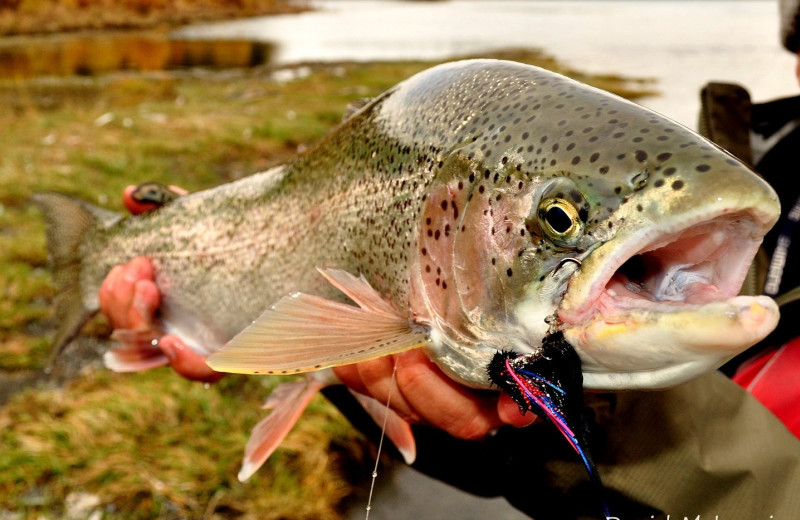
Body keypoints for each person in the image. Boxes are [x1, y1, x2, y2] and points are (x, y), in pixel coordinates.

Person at [97, 5, 800, 515]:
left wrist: (587, 407)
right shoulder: (748, 161)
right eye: (559, 221)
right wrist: (202, 249)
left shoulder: (707, 201)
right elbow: (362, 290)